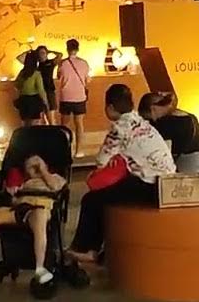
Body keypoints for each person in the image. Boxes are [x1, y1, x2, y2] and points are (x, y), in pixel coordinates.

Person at [67, 84, 176, 262]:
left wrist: (95, 175)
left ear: (110, 107)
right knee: (109, 194)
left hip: (149, 186)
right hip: (166, 184)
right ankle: (101, 250)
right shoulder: (141, 122)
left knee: (92, 199)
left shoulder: (120, 128)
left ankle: (85, 248)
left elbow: (101, 161)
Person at [0, 155, 66, 286]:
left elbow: (56, 187)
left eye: (38, 164)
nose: (35, 168)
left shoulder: (56, 178)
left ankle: (39, 268)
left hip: (40, 208)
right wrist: (11, 193)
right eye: (31, 166)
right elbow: (11, 199)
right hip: (20, 208)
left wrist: (43, 171)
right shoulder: (24, 182)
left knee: (39, 215)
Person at [139, 92, 199, 173]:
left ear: (153, 109)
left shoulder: (166, 122)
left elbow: (163, 157)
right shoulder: (189, 116)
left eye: (148, 117)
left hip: (185, 171)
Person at [56, 39, 91, 155]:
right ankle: (79, 151)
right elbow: (87, 80)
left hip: (66, 97)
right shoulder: (84, 63)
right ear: (78, 49)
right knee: (79, 124)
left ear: (67, 49)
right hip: (80, 96)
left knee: (65, 125)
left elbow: (59, 77)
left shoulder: (62, 63)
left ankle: (65, 150)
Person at [14, 51, 48, 124]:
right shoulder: (36, 74)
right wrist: (45, 102)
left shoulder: (22, 73)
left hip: (23, 100)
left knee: (25, 123)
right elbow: (40, 90)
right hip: (34, 100)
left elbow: (16, 85)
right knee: (34, 123)